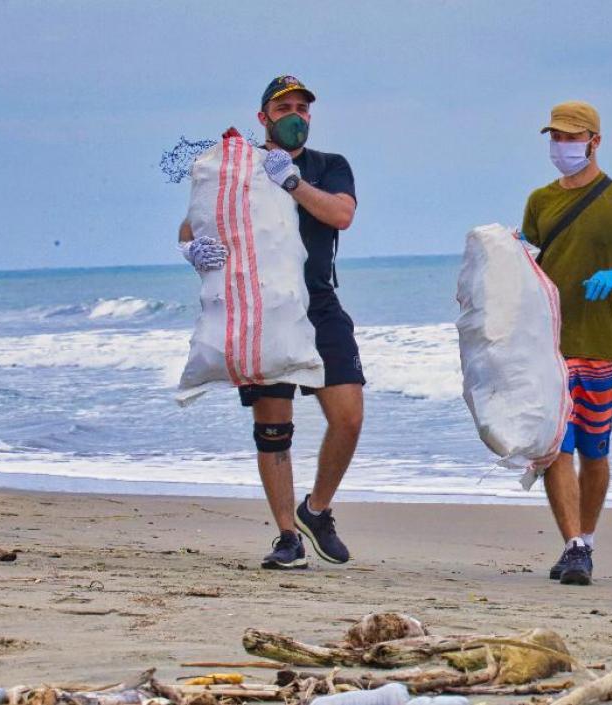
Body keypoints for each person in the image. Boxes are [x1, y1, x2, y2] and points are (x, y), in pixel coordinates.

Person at [178, 75, 363, 570]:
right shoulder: (239, 168)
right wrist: (193, 250)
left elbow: (341, 215)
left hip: (318, 304)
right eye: (285, 107)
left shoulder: (328, 166)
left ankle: (316, 510)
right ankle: (287, 536)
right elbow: (193, 223)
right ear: (263, 117)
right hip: (262, 309)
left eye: (303, 107)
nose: (296, 115)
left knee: (348, 417)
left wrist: (294, 182)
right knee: (273, 426)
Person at [520, 101, 612, 586]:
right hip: (549, 349)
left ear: (594, 141)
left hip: (600, 345)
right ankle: (574, 546)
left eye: (571, 137)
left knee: (594, 451)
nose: (562, 146)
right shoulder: (541, 201)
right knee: (555, 450)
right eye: (555, 137)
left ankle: (587, 537)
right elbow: (525, 266)